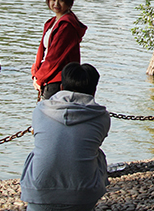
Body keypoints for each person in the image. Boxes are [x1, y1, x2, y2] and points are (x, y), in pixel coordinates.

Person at [21, 63, 110, 211]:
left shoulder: (40, 110)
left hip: (38, 192)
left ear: (62, 87)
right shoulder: (101, 116)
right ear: (94, 90)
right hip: (84, 196)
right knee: (96, 153)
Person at [33, 0, 88, 100]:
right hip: (47, 78)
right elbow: (42, 51)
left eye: (61, 0)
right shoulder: (51, 22)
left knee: (50, 117)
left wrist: (40, 78)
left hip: (58, 82)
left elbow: (54, 57)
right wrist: (35, 73)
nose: (56, 3)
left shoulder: (67, 25)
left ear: (69, 2)